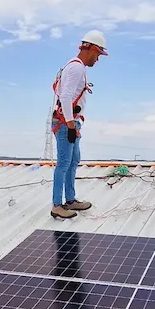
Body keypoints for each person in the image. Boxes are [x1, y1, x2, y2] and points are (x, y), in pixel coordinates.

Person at [48, 30, 107, 219]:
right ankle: (57, 205)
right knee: (64, 163)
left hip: (70, 122)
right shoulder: (77, 68)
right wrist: (71, 125)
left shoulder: (77, 67)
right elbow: (65, 96)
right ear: (92, 49)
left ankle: (70, 200)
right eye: (98, 55)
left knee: (73, 161)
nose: (97, 60)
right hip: (66, 123)